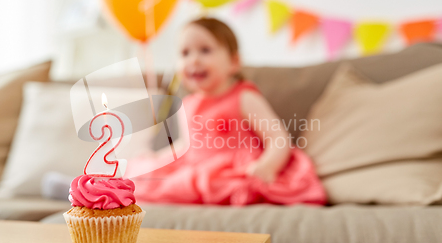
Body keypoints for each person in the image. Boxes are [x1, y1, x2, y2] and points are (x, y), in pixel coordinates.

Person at [127, 17, 327, 206]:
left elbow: (278, 138)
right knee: (149, 175)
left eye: (205, 50)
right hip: (197, 169)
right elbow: (186, 146)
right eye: (185, 53)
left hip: (234, 170)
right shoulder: (188, 104)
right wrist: (159, 158)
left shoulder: (244, 97)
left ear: (234, 62)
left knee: (226, 183)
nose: (194, 60)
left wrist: (268, 166)